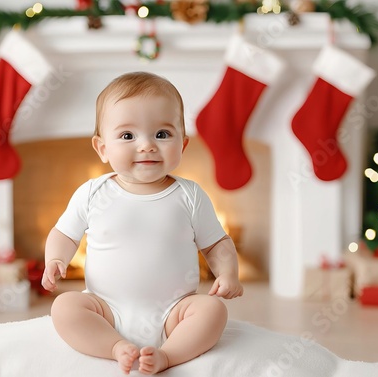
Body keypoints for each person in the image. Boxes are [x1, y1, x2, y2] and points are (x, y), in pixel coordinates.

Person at [42, 71, 244, 375]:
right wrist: (56, 259)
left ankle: (168, 355)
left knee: (212, 311)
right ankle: (114, 346)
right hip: (105, 308)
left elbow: (217, 243)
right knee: (65, 308)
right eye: (127, 136)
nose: (147, 145)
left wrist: (228, 273)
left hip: (174, 312)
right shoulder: (93, 193)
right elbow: (64, 234)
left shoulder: (189, 195)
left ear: (183, 144)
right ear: (102, 148)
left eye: (162, 134)